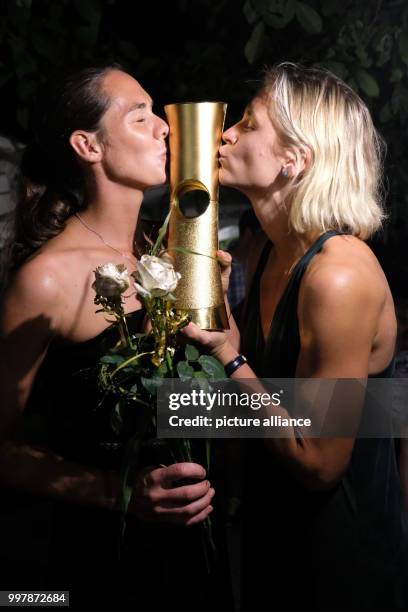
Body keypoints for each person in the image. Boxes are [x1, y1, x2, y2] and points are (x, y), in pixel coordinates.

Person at [0, 65, 233, 610]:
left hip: (195, 542)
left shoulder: (161, 254)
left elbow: (206, 400)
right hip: (108, 553)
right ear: (88, 145)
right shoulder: (47, 278)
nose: (163, 128)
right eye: (140, 114)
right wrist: (122, 495)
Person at [181, 63, 408, 611]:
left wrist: (230, 358)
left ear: (294, 159)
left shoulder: (338, 274)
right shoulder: (265, 254)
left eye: (249, 123)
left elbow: (318, 461)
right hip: (274, 540)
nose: (226, 133)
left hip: (343, 565)